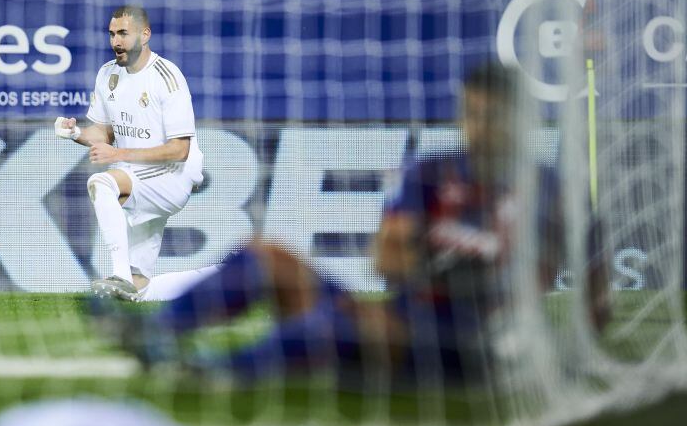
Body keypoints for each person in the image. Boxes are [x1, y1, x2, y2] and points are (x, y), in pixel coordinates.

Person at [98, 62, 610, 382]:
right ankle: (154, 333)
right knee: (265, 255)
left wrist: (556, 343)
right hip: (415, 319)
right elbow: (387, 259)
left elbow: (596, 286)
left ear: (519, 118)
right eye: (472, 114)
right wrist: (428, 264)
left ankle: (213, 373)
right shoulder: (435, 173)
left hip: (479, 344)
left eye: (492, 116)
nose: (479, 127)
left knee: (333, 327)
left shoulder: (553, 190)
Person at [55, 5, 204, 300]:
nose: (116, 42)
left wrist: (117, 157)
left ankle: (118, 275)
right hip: (140, 176)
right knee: (140, 291)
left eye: (123, 33)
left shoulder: (166, 77)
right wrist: (75, 133)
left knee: (102, 183)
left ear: (144, 34)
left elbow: (180, 149)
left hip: (173, 176)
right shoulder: (107, 74)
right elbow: (103, 132)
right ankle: (217, 277)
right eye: (112, 34)